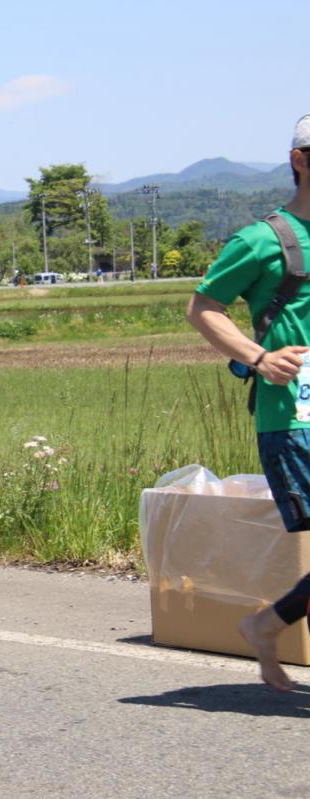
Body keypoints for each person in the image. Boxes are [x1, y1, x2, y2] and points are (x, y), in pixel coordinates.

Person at [186, 113, 310, 692]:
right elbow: (203, 307)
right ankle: (266, 624)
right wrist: (259, 357)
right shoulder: (264, 240)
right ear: (300, 161)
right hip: (294, 418)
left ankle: (267, 624)